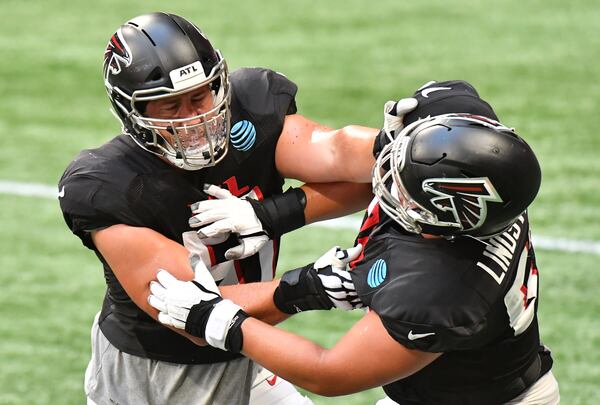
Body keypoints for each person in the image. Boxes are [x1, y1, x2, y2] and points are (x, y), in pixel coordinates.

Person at [57, 11, 406, 405]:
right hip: (159, 371)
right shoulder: (109, 184)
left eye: (199, 96)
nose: (194, 119)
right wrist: (307, 288)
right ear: (132, 113)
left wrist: (398, 146)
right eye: (170, 106)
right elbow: (188, 311)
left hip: (246, 346)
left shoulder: (250, 109)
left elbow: (348, 161)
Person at [148, 110, 560, 403]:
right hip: (472, 375)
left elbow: (328, 372)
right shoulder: (479, 156)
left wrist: (222, 322)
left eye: (405, 188)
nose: (384, 177)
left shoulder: (438, 292)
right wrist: (273, 222)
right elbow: (451, 104)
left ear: (446, 222)